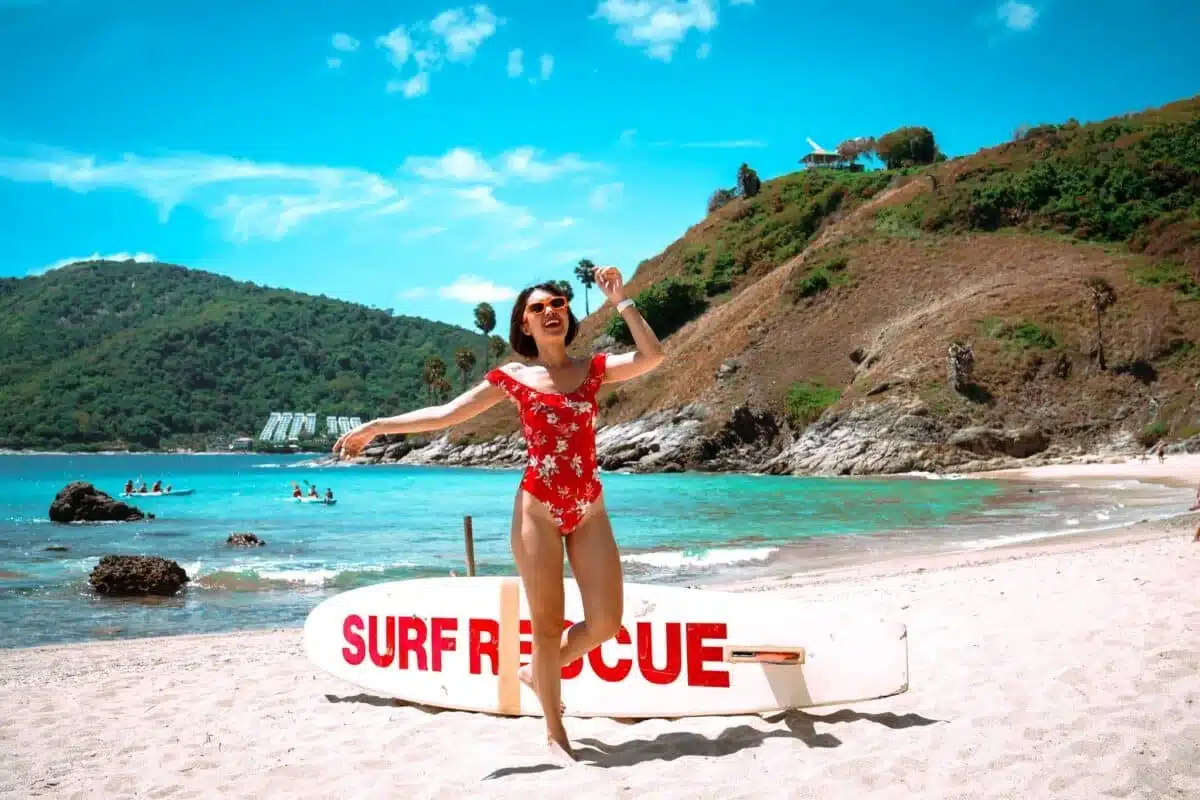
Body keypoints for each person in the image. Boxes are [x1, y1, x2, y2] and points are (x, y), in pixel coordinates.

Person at [332, 265, 664, 760]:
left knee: (606, 624)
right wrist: (378, 426)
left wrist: (621, 299)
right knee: (547, 626)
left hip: (589, 506)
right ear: (524, 324)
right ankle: (555, 735)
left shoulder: (594, 368)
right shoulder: (512, 377)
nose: (550, 312)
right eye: (537, 308)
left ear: (567, 316)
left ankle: (537, 670)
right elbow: (446, 414)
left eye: (558, 304)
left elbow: (652, 356)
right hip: (539, 510)